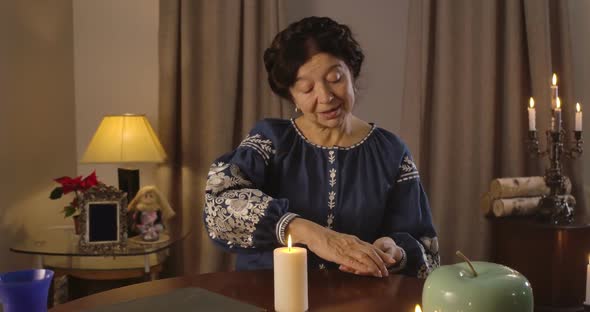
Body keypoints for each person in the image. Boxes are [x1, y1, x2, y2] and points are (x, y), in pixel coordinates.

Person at [204, 16, 439, 278]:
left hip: (358, 301)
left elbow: (425, 247)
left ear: (352, 72)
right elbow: (219, 203)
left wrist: (395, 251)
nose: (326, 97)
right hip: (267, 295)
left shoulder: (391, 151)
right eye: (307, 88)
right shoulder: (269, 140)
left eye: (335, 78)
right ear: (291, 94)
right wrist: (309, 233)